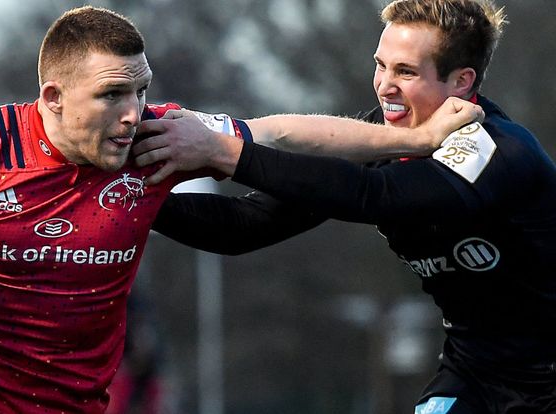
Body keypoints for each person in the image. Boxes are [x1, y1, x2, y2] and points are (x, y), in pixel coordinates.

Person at [0, 5, 480, 414]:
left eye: (142, 90)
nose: (133, 112)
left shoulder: (155, 138)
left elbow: (284, 130)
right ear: (52, 96)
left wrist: (411, 140)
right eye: (112, 94)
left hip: (70, 405)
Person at [135, 0, 556, 413]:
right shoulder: (380, 138)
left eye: (406, 72)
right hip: (472, 372)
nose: (385, 85)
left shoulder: (498, 153)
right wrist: (127, 199)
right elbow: (243, 225)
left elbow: (373, 194)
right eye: (381, 64)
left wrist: (222, 151)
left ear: (462, 82)